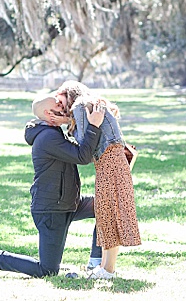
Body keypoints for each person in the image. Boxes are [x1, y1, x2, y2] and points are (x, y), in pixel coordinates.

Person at [0, 93, 106, 278]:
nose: (64, 108)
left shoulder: (55, 132)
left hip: (69, 203)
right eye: (59, 107)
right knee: (48, 270)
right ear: (47, 113)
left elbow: (82, 149)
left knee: (106, 206)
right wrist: (93, 126)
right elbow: (82, 156)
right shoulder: (47, 138)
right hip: (51, 210)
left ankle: (95, 263)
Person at [56, 81, 141, 279]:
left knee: (109, 213)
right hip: (113, 161)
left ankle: (108, 270)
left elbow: (86, 142)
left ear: (68, 94)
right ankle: (105, 267)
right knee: (107, 212)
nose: (60, 107)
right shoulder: (90, 103)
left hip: (108, 161)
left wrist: (65, 123)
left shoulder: (79, 106)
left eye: (60, 101)